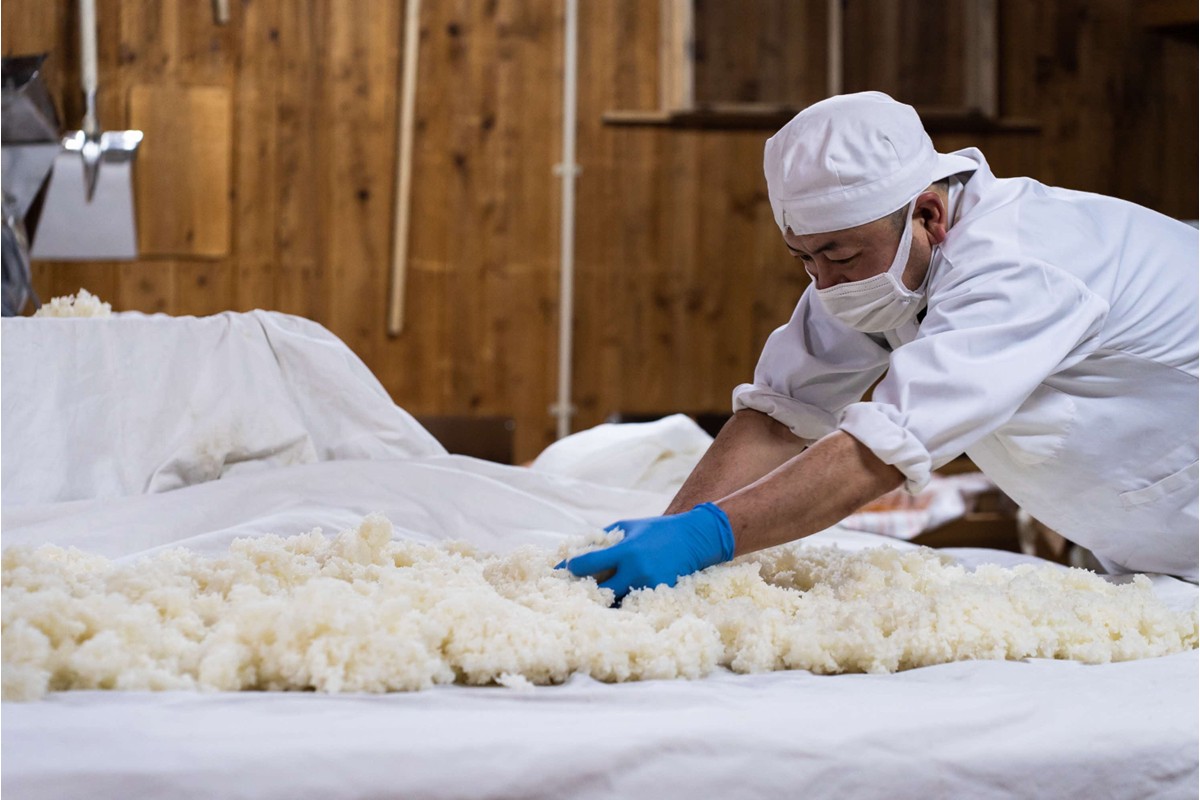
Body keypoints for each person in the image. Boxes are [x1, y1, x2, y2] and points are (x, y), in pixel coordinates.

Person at [564, 91, 1199, 600]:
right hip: (1147, 541)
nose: (823, 283)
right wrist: (668, 533)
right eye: (803, 258)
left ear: (929, 215)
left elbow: (884, 449)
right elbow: (780, 415)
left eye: (838, 255)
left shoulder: (1021, 264)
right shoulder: (876, 268)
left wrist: (705, 539)